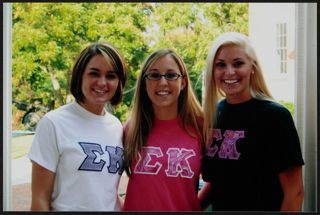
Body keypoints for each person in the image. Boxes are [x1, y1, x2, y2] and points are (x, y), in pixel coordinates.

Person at [198, 32, 305, 211]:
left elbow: (295, 192)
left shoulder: (275, 117)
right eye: (220, 65)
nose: (229, 72)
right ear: (212, 70)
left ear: (252, 67)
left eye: (238, 63)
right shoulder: (212, 114)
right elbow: (218, 182)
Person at [28, 42, 127, 211]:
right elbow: (40, 199)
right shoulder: (54, 123)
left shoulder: (116, 126)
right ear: (80, 75)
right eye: (94, 73)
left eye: (111, 76)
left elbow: (107, 192)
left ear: (119, 82)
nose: (102, 82)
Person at [122, 49, 204, 211]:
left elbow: (217, 179)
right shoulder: (131, 128)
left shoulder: (200, 126)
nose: (163, 82)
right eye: (154, 75)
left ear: (184, 82)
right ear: (144, 83)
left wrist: (194, 206)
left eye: (171, 75)